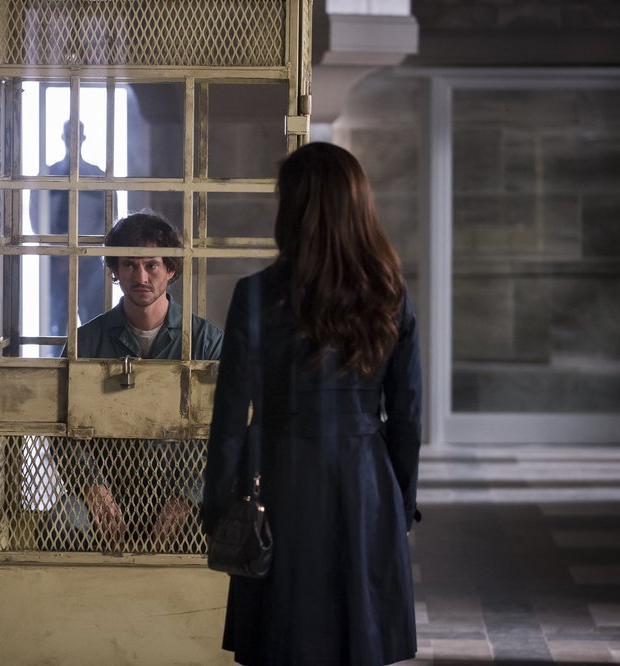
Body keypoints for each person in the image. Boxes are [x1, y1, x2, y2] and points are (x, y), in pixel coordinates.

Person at [202, 142, 422, 665]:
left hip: (280, 477)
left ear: (293, 208)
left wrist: (217, 505)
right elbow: (407, 412)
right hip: (364, 480)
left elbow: (230, 414)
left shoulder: (256, 293)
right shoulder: (389, 295)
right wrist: (401, 499)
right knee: (356, 633)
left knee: (282, 637)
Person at [51, 212, 223, 553]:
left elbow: (225, 432)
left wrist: (188, 496)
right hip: (107, 492)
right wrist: (93, 488)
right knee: (65, 524)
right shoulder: (86, 342)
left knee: (215, 530)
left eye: (151, 265)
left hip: (183, 495)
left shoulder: (206, 341)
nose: (140, 277)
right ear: (115, 270)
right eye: (129, 265)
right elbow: (62, 430)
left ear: (171, 269)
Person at [29, 120, 109, 336]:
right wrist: (58, 251)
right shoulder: (47, 176)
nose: (73, 139)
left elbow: (108, 220)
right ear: (63, 137)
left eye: (76, 134)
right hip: (55, 261)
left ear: (83, 138)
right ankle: (56, 354)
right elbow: (36, 219)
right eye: (69, 134)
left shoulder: (98, 177)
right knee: (56, 323)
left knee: (93, 321)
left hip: (90, 260)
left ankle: (90, 355)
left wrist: (82, 251)